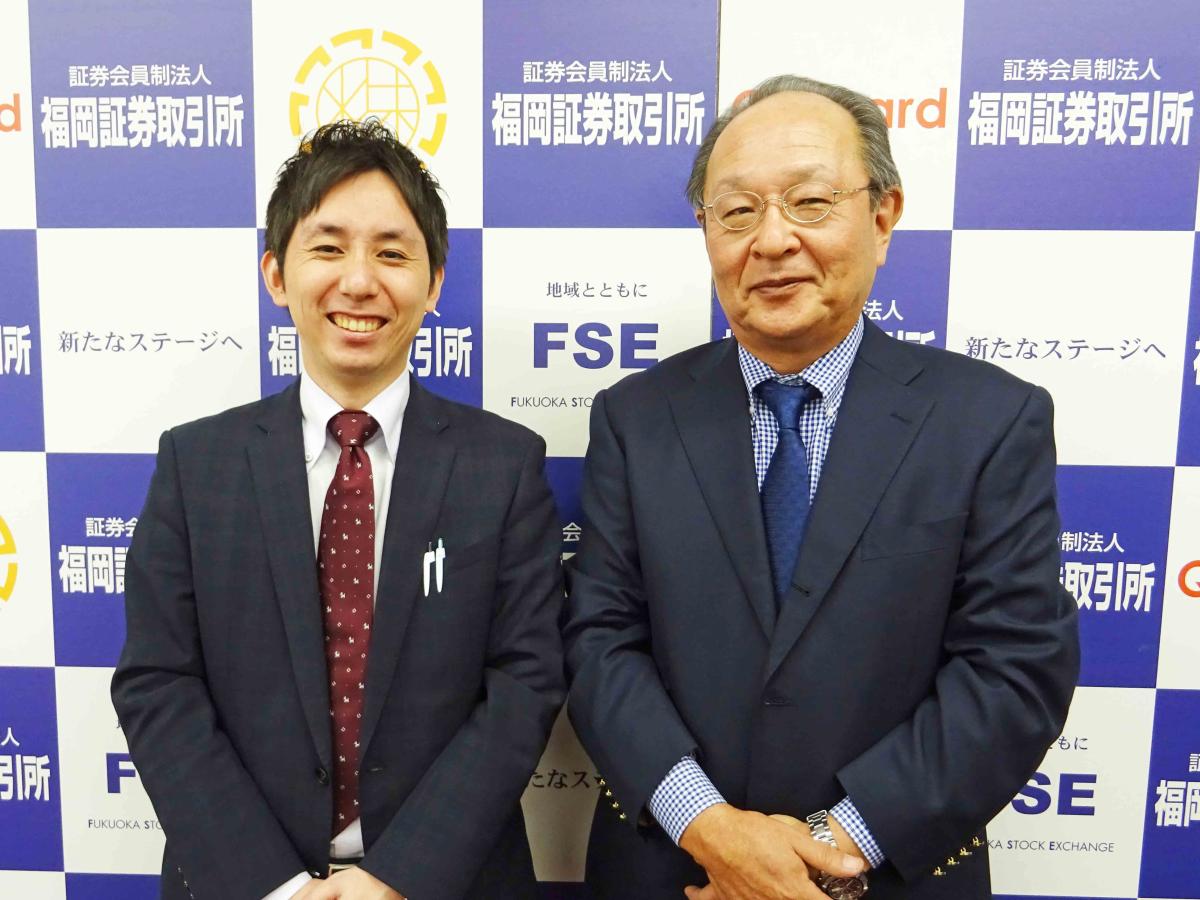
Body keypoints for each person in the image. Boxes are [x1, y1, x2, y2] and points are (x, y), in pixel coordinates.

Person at [562, 74, 1079, 900]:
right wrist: (712, 830)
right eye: (737, 211)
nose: (772, 240)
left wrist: (828, 849)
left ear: (882, 217)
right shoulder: (635, 417)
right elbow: (598, 641)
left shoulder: (988, 420)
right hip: (677, 870)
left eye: (810, 202)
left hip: (887, 875)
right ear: (706, 232)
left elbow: (1015, 669)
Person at [112, 119, 564, 900]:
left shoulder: (504, 465)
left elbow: (525, 683)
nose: (359, 282)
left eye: (392, 253)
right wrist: (275, 886)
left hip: (449, 881)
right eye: (328, 248)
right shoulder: (196, 464)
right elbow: (158, 683)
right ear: (276, 274)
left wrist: (398, 876)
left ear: (434, 283)